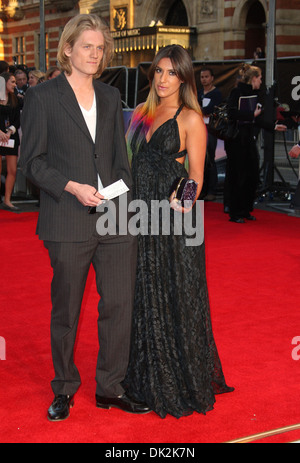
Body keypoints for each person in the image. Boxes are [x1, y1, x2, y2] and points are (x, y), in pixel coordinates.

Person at [20, 13, 149, 422]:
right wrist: (72, 187)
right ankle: (64, 388)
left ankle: (110, 387)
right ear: (69, 49)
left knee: (119, 305)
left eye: (100, 48)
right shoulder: (42, 97)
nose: (95, 54)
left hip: (115, 218)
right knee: (67, 309)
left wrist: (123, 197)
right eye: (87, 46)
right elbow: (32, 164)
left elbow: (119, 159)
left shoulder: (111, 98)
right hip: (68, 218)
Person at [123, 45, 234, 419]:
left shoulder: (191, 119)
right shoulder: (140, 113)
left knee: (175, 292)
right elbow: (128, 160)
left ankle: (179, 377)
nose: (163, 79)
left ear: (184, 78)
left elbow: (197, 176)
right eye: (158, 72)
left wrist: (181, 201)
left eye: (172, 73)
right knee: (143, 290)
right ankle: (143, 374)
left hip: (174, 220)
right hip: (139, 214)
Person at [225, 64, 286, 223]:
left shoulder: (256, 94)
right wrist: (250, 114)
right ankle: (235, 212)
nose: (261, 81)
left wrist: (273, 126)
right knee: (238, 176)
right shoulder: (237, 92)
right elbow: (231, 113)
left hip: (249, 139)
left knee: (251, 175)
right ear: (253, 78)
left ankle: (246, 209)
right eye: (259, 78)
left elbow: (257, 119)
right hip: (236, 140)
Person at [198, 67, 222, 200]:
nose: (204, 79)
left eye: (206, 77)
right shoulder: (199, 92)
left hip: (211, 130)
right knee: (200, 161)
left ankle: (212, 190)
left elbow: (209, 110)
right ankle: (202, 189)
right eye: (202, 77)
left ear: (212, 78)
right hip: (199, 129)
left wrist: (201, 110)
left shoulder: (216, 93)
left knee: (210, 160)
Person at [0, 72, 21, 211]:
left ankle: (7, 200)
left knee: (12, 170)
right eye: (12, 82)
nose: (15, 84)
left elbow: (17, 120)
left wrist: (9, 131)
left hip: (11, 138)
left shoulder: (16, 99)